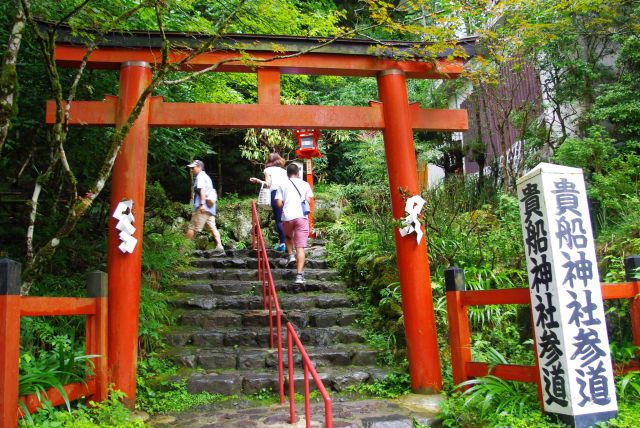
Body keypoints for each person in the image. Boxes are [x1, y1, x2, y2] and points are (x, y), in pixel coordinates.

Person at [275, 163, 313, 285]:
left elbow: (279, 204)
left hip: (288, 217)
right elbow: (309, 199)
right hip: (302, 217)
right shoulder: (305, 184)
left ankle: (291, 255)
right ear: (298, 173)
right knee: (300, 247)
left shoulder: (282, 185)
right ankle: (299, 276)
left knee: (287, 236)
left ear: (287, 174)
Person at [249, 153, 288, 252]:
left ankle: (283, 244)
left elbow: (268, 184)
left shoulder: (268, 170)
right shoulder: (284, 171)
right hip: (286, 195)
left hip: (275, 194)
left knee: (279, 220)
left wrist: (257, 180)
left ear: (269, 160)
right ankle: (287, 243)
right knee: (285, 220)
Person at [186, 160, 224, 256]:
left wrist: (202, 205)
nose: (191, 170)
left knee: (192, 227)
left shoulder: (200, 177)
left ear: (199, 167)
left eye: (193, 168)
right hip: (210, 208)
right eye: (191, 168)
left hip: (203, 207)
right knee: (212, 227)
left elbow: (202, 190)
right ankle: (219, 247)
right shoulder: (206, 177)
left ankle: (182, 251)